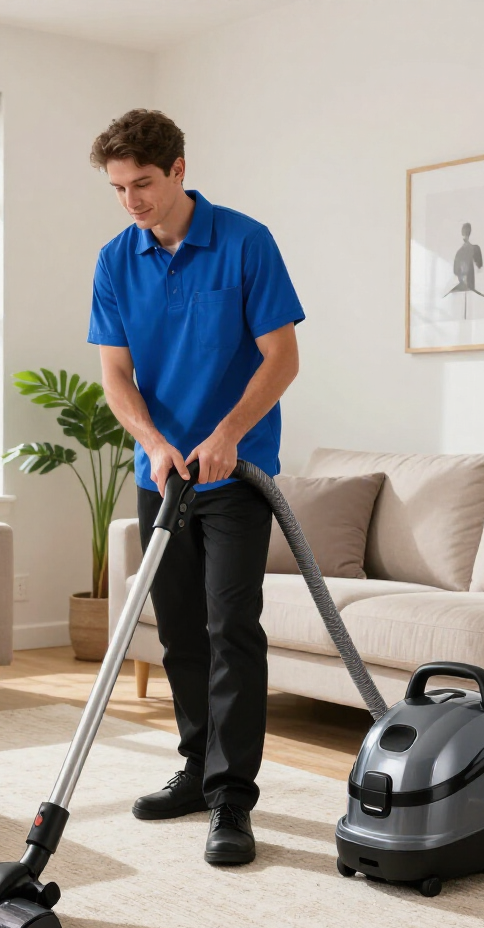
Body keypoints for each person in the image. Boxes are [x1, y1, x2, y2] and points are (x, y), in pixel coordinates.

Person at [86, 109, 304, 866]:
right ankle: (195, 768)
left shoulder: (246, 242)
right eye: (118, 188)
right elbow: (115, 374)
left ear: (179, 168)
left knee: (230, 629)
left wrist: (229, 434)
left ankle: (232, 801)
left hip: (237, 475)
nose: (132, 201)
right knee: (178, 626)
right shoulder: (117, 260)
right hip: (165, 472)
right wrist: (151, 442)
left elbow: (281, 358)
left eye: (142, 183)